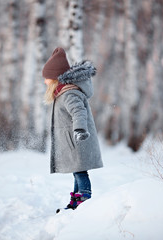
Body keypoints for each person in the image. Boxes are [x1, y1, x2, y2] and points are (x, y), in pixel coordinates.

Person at [42, 47, 103, 212]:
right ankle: (76, 200)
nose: (45, 81)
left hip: (77, 140)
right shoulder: (62, 93)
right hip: (73, 142)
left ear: (55, 78)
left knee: (80, 171)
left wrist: (80, 130)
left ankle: (84, 199)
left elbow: (78, 112)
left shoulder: (68, 94)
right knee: (77, 170)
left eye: (47, 78)